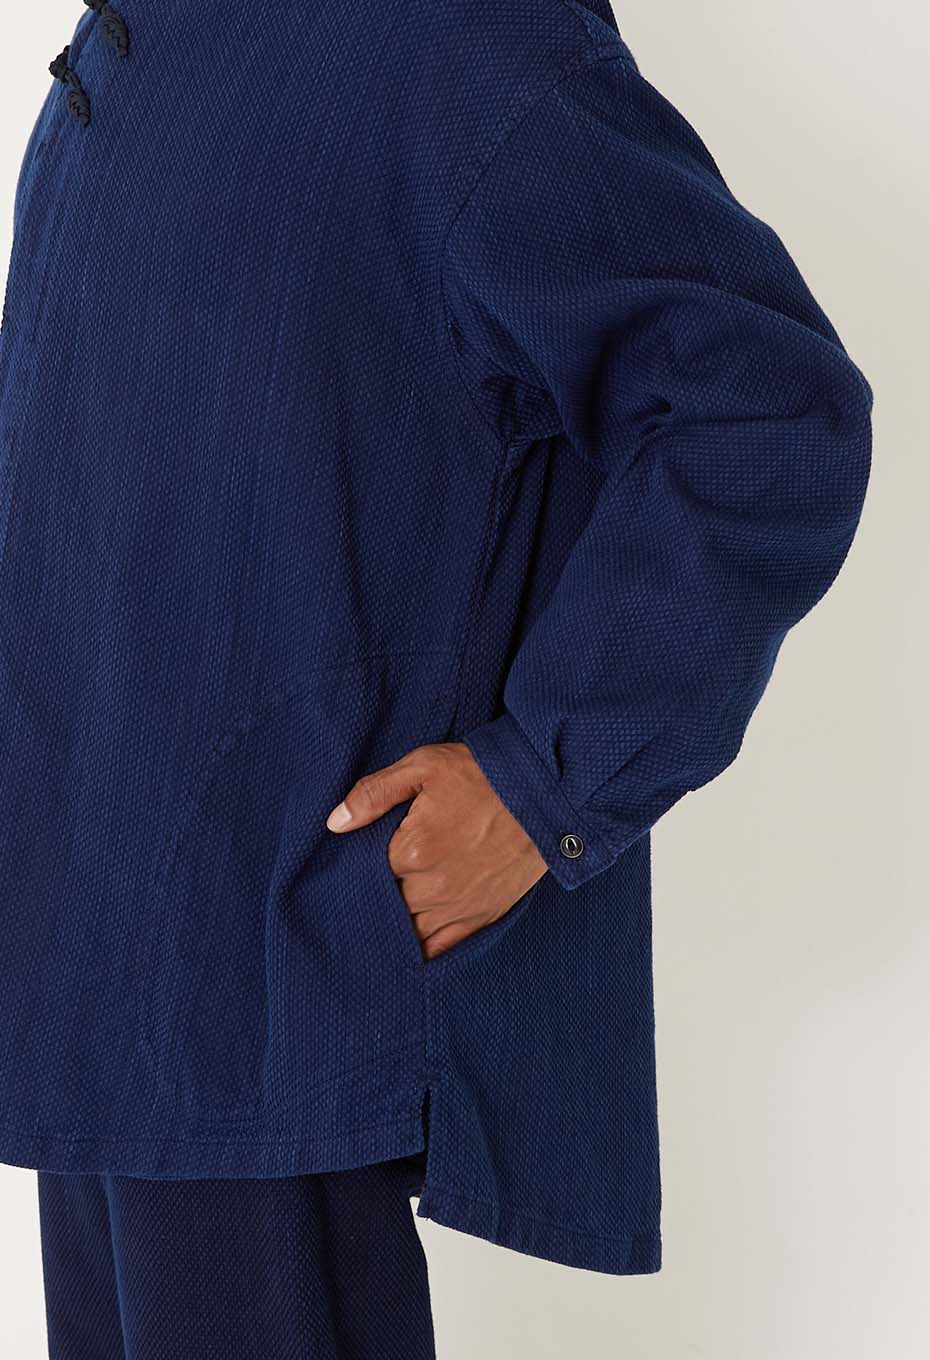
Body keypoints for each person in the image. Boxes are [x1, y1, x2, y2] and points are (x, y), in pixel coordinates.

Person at [0, 0, 871, 1355]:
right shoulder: (140, 41)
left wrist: (541, 784)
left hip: (276, 981)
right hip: (95, 983)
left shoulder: (455, 43)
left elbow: (766, 412)